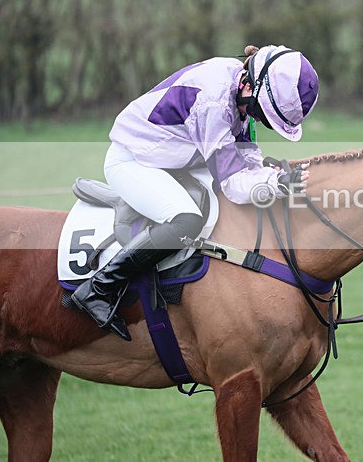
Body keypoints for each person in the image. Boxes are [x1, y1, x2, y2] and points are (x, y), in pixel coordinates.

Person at [71, 44, 319, 341]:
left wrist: (272, 177)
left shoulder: (241, 85)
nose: (257, 120)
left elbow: (248, 157)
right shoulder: (215, 103)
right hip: (133, 160)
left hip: (178, 157)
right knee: (186, 220)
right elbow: (233, 182)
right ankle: (98, 288)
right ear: (248, 87)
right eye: (259, 114)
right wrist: (275, 184)